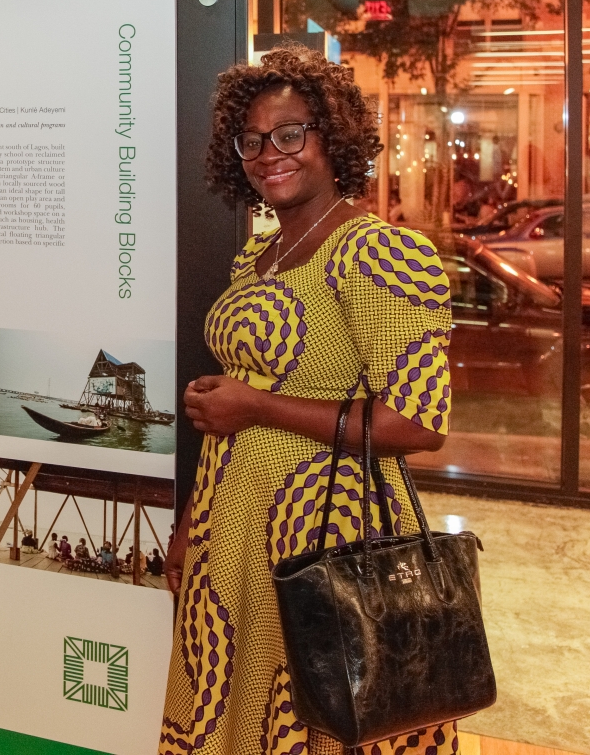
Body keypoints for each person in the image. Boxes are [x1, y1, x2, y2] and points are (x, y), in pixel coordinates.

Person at [159, 45, 453, 755]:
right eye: (252, 139)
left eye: (291, 133)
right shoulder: (259, 254)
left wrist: (256, 407)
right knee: (232, 707)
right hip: (233, 526)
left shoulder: (375, 250)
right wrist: (193, 520)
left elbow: (417, 424)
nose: (270, 153)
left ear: (335, 137)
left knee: (322, 711)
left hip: (328, 530)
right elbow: (237, 407)